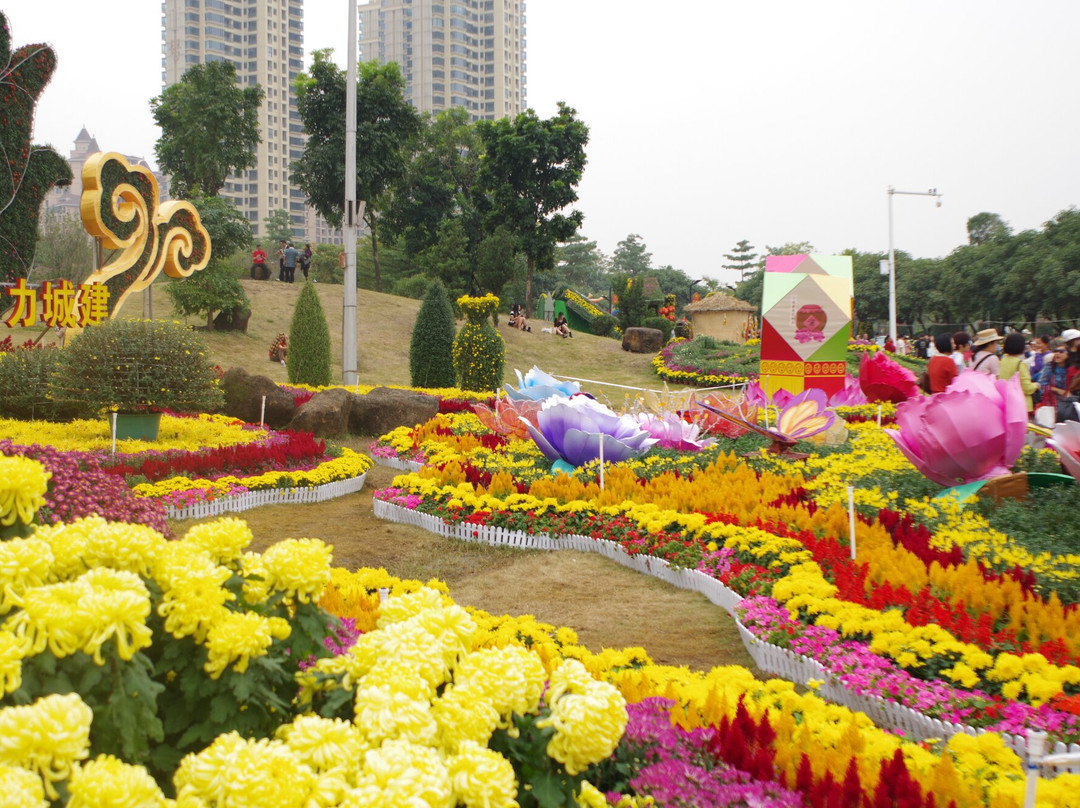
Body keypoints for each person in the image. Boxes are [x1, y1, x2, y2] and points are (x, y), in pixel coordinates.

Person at [998, 332, 1039, 415]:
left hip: (1006, 402)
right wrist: (1036, 385)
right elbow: (1027, 388)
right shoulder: (1020, 364)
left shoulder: (1001, 362)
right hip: (1020, 405)